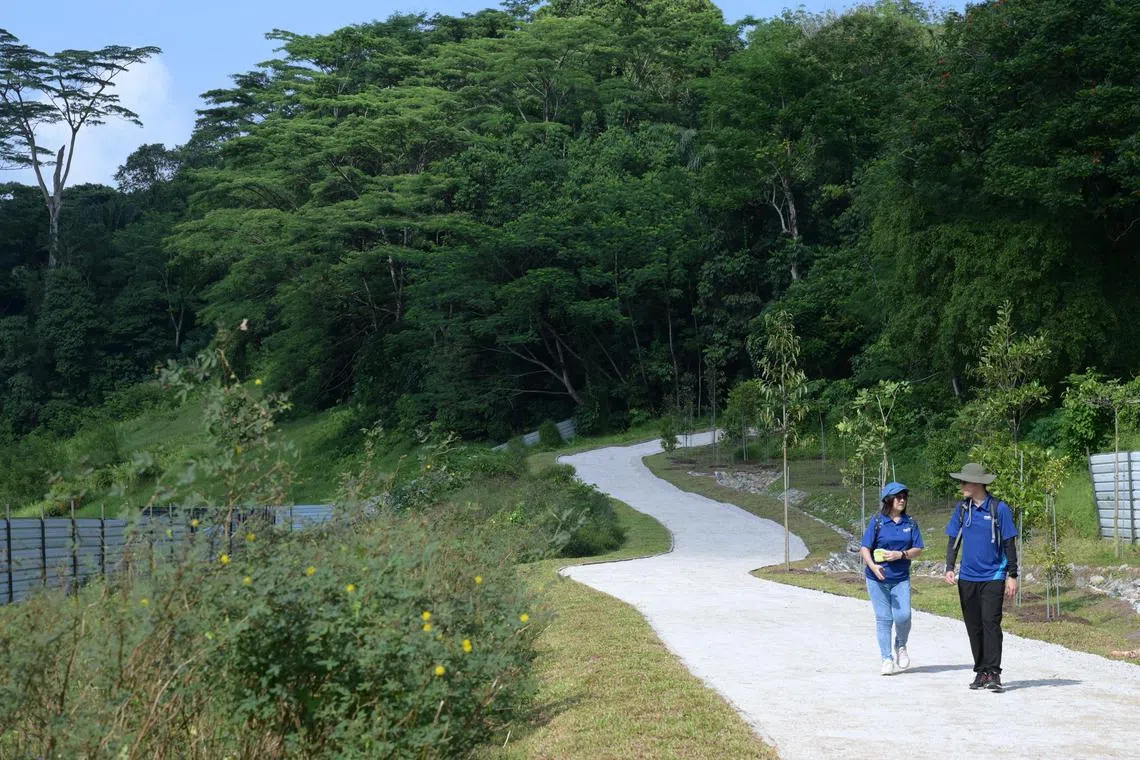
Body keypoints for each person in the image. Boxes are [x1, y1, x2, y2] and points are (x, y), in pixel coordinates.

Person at [943, 462, 1019, 693]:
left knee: (990, 623)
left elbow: (1009, 543)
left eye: (964, 481)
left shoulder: (999, 509)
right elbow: (953, 538)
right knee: (973, 626)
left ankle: (994, 672)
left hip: (993, 576)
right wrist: (949, 566)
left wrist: (1012, 575)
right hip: (967, 577)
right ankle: (981, 671)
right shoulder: (962, 509)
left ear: (977, 483)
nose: (961, 485)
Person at [860, 481, 925, 675]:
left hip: (900, 578)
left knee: (904, 616)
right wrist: (873, 566)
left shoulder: (910, 523)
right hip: (876, 578)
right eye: (898, 497)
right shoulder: (877, 522)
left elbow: (918, 549)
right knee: (884, 618)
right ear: (888, 500)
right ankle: (886, 658)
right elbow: (865, 548)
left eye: (904, 496)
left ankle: (901, 645)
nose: (902, 500)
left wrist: (902, 555)